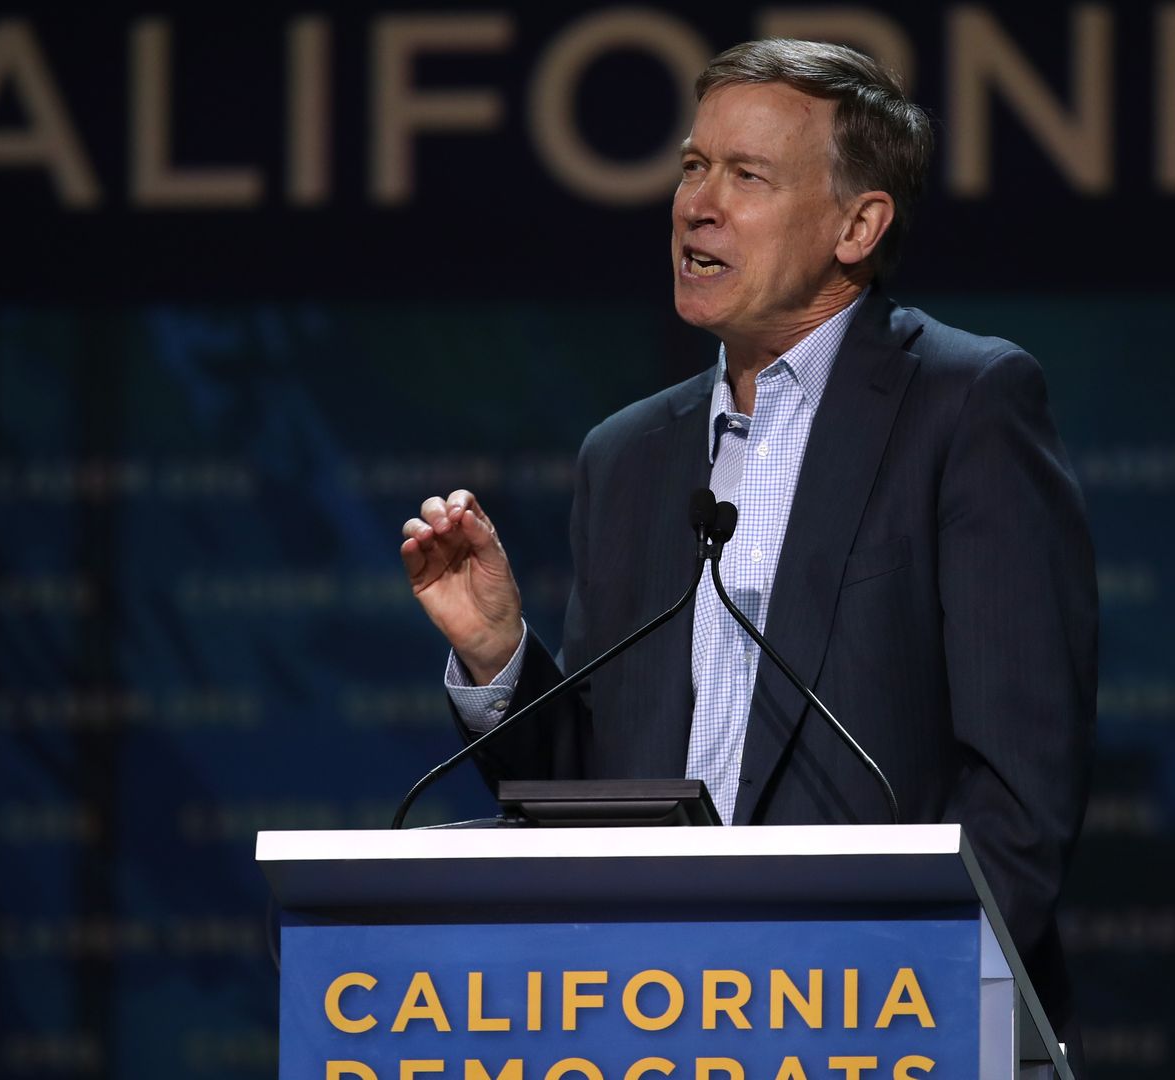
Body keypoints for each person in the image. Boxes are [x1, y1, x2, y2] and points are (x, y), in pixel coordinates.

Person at [399, 39, 1096, 1064]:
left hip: (888, 1020)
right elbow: (601, 802)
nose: (698, 205)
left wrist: (914, 991)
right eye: (691, 167)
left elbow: (1022, 788)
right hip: (658, 1024)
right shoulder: (628, 456)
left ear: (858, 225)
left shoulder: (965, 407)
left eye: (748, 176)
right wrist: (503, 659)